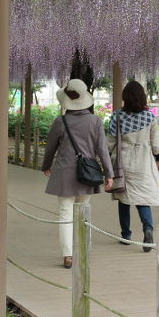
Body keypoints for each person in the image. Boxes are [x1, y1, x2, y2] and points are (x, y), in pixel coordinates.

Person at [42, 79, 114, 269]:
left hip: (64, 173)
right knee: (83, 212)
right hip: (87, 173)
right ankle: (82, 250)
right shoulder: (96, 121)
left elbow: (51, 147)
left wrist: (46, 165)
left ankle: (68, 255)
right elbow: (102, 150)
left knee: (65, 213)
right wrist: (109, 174)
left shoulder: (61, 121)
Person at [107, 81, 159, 252]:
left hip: (124, 161)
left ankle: (126, 235)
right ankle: (148, 228)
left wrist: (102, 159)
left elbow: (109, 142)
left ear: (125, 97)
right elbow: (155, 142)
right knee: (142, 198)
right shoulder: (150, 117)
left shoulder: (117, 116)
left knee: (124, 198)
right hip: (143, 161)